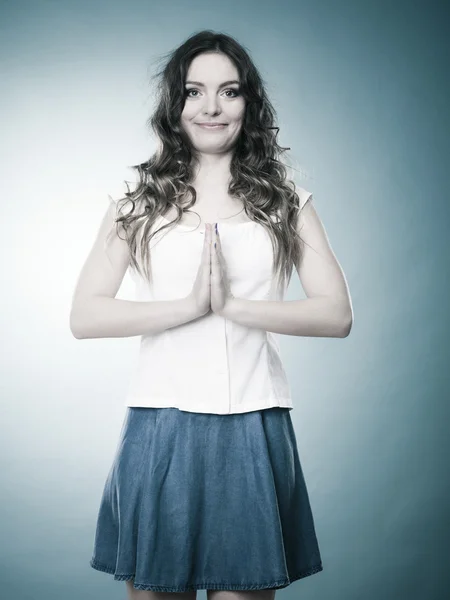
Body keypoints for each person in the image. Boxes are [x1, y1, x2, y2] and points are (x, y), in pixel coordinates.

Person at [70, 30, 353, 600]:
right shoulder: (137, 200)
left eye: (229, 92)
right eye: (194, 92)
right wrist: (188, 308)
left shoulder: (284, 200)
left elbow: (337, 314)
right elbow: (85, 315)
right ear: (175, 106)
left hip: (253, 422)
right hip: (161, 426)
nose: (212, 107)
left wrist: (233, 307)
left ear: (249, 105)